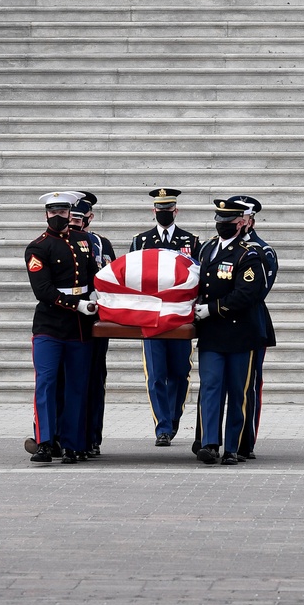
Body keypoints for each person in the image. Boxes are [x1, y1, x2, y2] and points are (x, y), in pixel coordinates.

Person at [24, 192, 98, 465]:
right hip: (50, 325)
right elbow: (42, 290)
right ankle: (44, 442)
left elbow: (93, 276)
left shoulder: (84, 241)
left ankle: (73, 444)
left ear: (70, 213)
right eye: (52, 212)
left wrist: (95, 297)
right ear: (46, 214)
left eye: (62, 212)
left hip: (79, 326)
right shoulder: (38, 247)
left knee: (77, 387)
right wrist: (75, 304)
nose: (58, 216)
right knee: (46, 384)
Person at [193, 197, 268, 466]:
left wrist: (213, 308)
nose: (222, 225)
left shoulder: (249, 254)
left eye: (228, 222)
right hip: (212, 334)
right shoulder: (208, 249)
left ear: (240, 223)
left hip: (239, 334)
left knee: (238, 391)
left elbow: (247, 294)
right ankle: (210, 443)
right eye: (219, 221)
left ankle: (233, 447)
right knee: (211, 387)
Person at [130, 188, 202, 447]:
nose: (163, 214)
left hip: (180, 318)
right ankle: (162, 426)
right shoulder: (141, 241)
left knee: (180, 373)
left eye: (168, 210)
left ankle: (173, 418)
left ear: (176, 211)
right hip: (151, 318)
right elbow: (131, 279)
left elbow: (198, 277)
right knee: (156, 374)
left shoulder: (190, 241)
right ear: (154, 211)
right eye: (159, 210)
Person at [71, 192, 116, 457]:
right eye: (72, 218)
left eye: (80, 218)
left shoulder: (101, 244)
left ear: (90, 218)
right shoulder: (56, 241)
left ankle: (91, 437)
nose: (76, 223)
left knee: (93, 380)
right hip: (66, 317)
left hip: (95, 320)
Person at [235, 196, 278, 460]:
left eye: (241, 218)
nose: (236, 223)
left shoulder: (263, 251)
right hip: (221, 325)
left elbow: (258, 291)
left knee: (249, 385)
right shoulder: (215, 248)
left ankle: (246, 440)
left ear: (250, 220)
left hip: (251, 323)